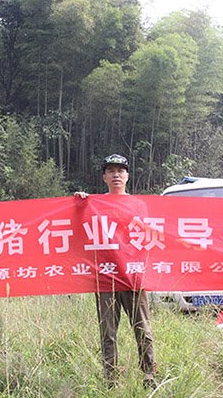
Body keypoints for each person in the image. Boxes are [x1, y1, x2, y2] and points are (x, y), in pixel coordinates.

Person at [75, 154, 157, 389]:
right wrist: (79, 203)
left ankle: (149, 374)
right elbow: (79, 227)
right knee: (108, 331)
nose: (116, 175)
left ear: (127, 175)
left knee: (142, 327)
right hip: (105, 275)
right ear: (104, 177)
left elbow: (147, 237)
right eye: (111, 171)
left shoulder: (138, 205)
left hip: (132, 275)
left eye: (120, 171)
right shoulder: (94, 203)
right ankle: (110, 378)